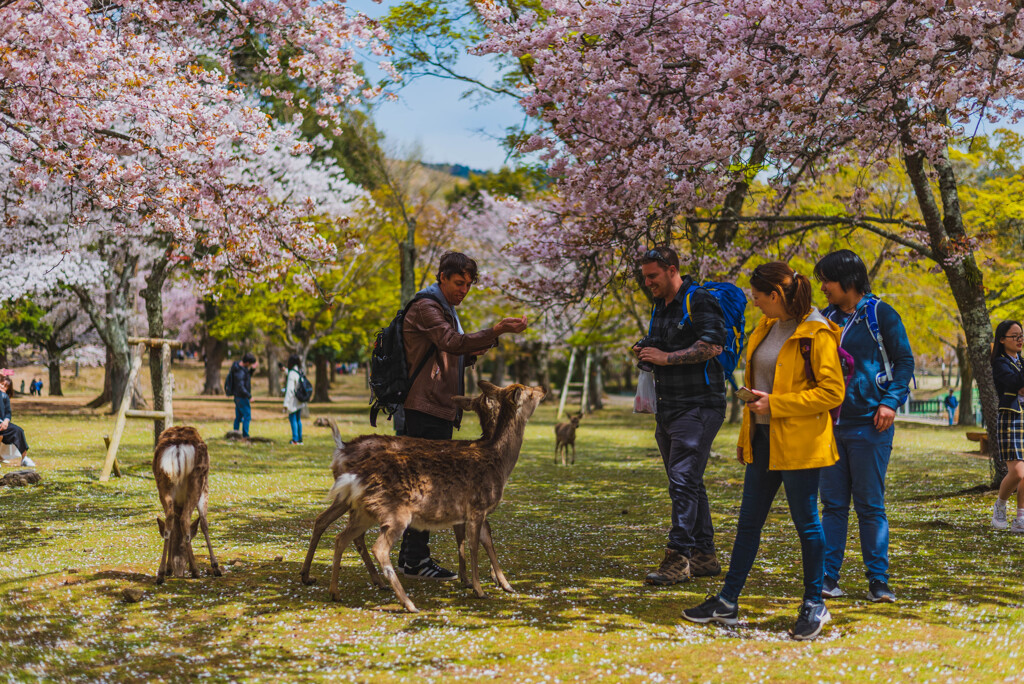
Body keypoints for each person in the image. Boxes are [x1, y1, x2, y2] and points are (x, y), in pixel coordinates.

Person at [682, 262, 844, 641]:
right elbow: (760, 386)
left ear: (776, 295)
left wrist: (777, 404)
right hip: (763, 439)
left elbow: (832, 392)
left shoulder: (816, 333)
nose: (753, 302)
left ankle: (813, 604)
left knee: (807, 524)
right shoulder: (767, 327)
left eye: (758, 296)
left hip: (801, 444)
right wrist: (748, 435)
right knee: (748, 523)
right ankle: (727, 602)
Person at [397, 251, 528, 580]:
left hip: (438, 406)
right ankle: (413, 559)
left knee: (429, 482)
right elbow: (450, 342)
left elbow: (449, 352)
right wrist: (495, 330)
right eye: (459, 282)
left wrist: (471, 353)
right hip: (423, 407)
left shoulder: (445, 309)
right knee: (423, 484)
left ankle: (413, 557)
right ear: (442, 276)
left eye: (468, 284)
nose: (464, 290)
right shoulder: (427, 306)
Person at [814, 250, 914, 603]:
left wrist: (890, 401)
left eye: (827, 279)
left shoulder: (880, 314)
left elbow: (904, 362)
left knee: (870, 506)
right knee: (833, 505)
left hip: (870, 426)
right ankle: (826, 579)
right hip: (829, 427)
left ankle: (878, 581)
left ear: (849, 280)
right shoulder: (823, 318)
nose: (822, 286)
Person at [633, 246, 728, 585]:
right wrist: (645, 350)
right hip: (669, 407)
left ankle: (678, 557)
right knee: (688, 482)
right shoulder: (660, 305)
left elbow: (713, 346)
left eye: (653, 276)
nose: (647, 283)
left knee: (683, 479)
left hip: (700, 405)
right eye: (644, 277)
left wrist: (665, 358)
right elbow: (661, 344)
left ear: (672, 270)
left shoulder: (698, 299)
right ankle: (705, 555)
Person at [990, 320, 1024, 533]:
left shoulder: (1021, 362)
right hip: (1011, 418)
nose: (1020, 339)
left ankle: (1020, 518)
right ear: (1002, 339)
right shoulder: (1000, 363)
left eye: (1021, 335)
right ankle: (1000, 506)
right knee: (1019, 472)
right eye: (1015, 336)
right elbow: (1012, 385)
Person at [0, 376, 34, 468]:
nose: (3, 387)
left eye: (6, 386)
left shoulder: (5, 397)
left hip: (2, 424)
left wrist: (6, 422)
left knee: (18, 431)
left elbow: (8, 413)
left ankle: (24, 458)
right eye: (2, 384)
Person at [228, 352, 258, 439]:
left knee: (239, 416)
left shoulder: (239, 367)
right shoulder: (239, 371)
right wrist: (249, 396)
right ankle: (245, 435)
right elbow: (240, 386)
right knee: (247, 416)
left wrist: (252, 370)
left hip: (238, 396)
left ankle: (235, 433)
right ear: (247, 363)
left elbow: (246, 377)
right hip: (242, 397)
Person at [283, 354, 306, 445]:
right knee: (298, 420)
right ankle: (299, 439)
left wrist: (285, 404)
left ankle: (295, 439)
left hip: (293, 401)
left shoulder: (292, 374)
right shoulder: (299, 371)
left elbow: (289, 390)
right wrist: (285, 371)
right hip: (299, 400)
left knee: (293, 420)